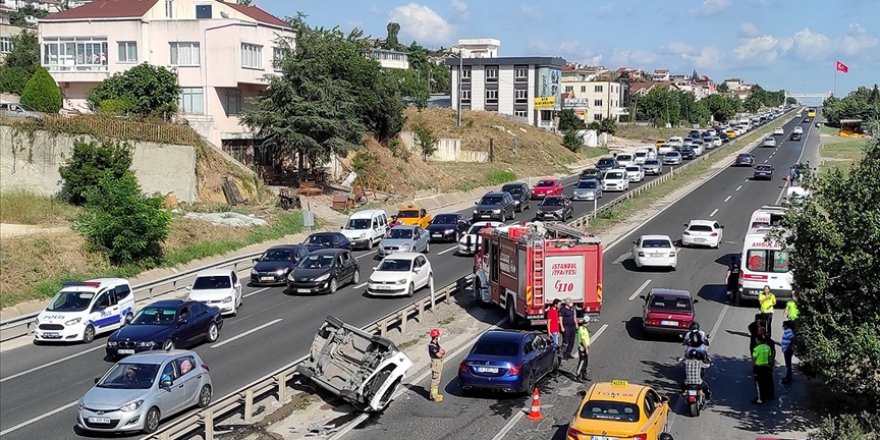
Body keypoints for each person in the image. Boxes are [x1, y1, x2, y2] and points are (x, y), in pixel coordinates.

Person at [752, 334, 775, 403]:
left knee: (759, 384)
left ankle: (760, 398)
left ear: (758, 340)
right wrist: (770, 366)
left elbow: (754, 359)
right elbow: (770, 357)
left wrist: (753, 368)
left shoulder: (756, 349)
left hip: (759, 368)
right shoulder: (767, 347)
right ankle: (768, 396)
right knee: (766, 382)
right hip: (766, 367)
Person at [428, 329, 445, 402]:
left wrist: (442, 352)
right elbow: (439, 354)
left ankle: (435, 394)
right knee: (435, 380)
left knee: (438, 379)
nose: (439, 337)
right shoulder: (432, 346)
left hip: (439, 362)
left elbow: (442, 350)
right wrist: (442, 353)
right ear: (435, 337)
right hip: (436, 363)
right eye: (438, 336)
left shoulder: (436, 344)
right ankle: (433, 396)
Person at [780, 320, 795, 384]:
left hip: (787, 350)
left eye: (784, 325)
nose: (783, 326)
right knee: (788, 364)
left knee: (788, 365)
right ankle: (788, 377)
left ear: (787, 326)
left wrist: (787, 348)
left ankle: (788, 378)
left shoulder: (789, 332)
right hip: (786, 350)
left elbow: (792, 340)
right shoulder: (787, 332)